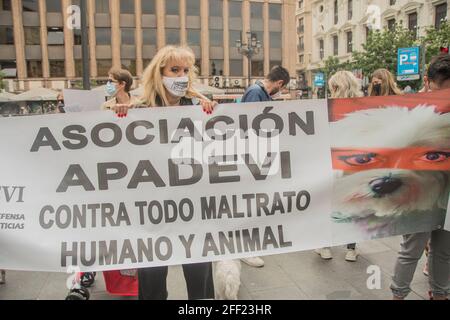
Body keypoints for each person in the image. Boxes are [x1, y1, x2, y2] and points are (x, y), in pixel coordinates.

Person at [113, 45, 216, 300]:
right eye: (174, 70)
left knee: (199, 277)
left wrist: (214, 115)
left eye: (185, 70)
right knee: (152, 280)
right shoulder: (140, 108)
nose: (181, 76)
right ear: (160, 73)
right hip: (152, 212)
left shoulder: (198, 106)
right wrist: (119, 118)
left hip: (192, 208)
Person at [390, 54, 450, 301]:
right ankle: (398, 295)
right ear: (427, 82)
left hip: (448, 195)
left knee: (444, 252)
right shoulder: (410, 111)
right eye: (442, 91)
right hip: (420, 192)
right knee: (411, 250)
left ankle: (441, 293)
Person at [237, 65, 290, 268]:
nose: (281, 92)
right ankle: (245, 248)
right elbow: (251, 126)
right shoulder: (255, 93)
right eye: (282, 88)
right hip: (252, 158)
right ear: (279, 83)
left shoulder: (259, 93)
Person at [315, 71, 363, 262]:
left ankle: (325, 246)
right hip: (356, 164)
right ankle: (351, 249)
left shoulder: (326, 108)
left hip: (332, 163)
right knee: (353, 205)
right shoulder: (364, 107)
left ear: (335, 87)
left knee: (329, 205)